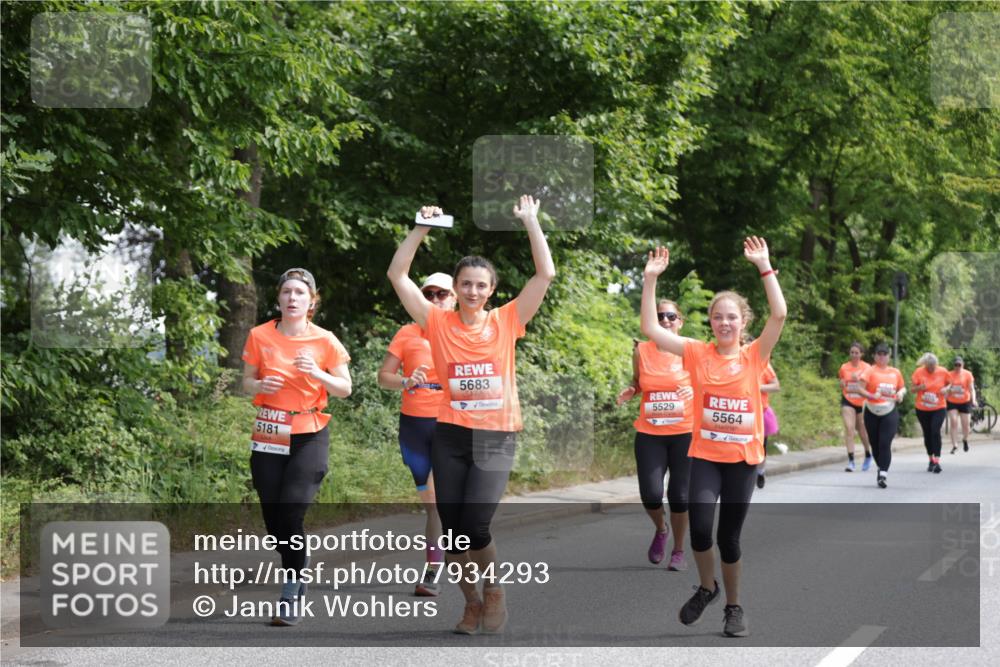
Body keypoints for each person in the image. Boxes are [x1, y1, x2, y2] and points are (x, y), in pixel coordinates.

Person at [386, 196, 555, 635]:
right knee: (455, 532)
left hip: (496, 435)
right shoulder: (436, 321)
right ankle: (471, 603)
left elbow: (545, 274)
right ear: (456, 287)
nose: (473, 291)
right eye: (466, 284)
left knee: (476, 524)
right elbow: (397, 275)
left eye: (481, 285)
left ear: (491, 290)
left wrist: (530, 221)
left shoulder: (507, 320)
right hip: (451, 436)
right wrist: (421, 228)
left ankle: (494, 588)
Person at [640, 237, 786, 639]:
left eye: (732, 317)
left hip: (741, 460)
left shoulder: (755, 355)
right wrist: (650, 279)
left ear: (743, 323)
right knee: (702, 530)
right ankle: (707, 588)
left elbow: (780, 313)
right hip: (704, 456)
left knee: (729, 538)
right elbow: (650, 327)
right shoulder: (695, 352)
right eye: (718, 317)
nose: (724, 323)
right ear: (710, 321)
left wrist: (765, 267)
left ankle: (734, 607)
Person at [241, 268, 352, 626]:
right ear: (279, 298)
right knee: (274, 519)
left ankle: (292, 589)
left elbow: (345, 388)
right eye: (287, 291)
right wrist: (261, 383)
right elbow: (245, 383)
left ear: (311, 301)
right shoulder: (259, 335)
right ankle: (297, 559)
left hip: (309, 429)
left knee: (291, 512)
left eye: (300, 293)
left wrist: (317, 374)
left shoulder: (325, 340)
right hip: (270, 428)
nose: (292, 298)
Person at [377, 272, 456, 596]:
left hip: (451, 422)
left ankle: (433, 569)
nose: (436, 299)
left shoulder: (463, 333)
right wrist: (406, 381)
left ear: (454, 298)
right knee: (432, 505)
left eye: (442, 294)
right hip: (414, 424)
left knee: (441, 502)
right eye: (429, 293)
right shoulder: (407, 333)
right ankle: (444, 556)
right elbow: (384, 377)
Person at [616, 300, 693, 572]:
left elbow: (709, 384)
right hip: (650, 433)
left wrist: (695, 393)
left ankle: (679, 551)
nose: (665, 321)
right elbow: (638, 382)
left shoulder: (690, 350)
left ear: (680, 321)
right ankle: (662, 528)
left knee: (680, 496)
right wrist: (632, 390)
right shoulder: (642, 350)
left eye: (671, 316)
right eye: (660, 316)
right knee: (650, 494)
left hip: (685, 432)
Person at [858, 343, 905, 488]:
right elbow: (859, 388)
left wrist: (900, 394)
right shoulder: (869, 371)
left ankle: (883, 473)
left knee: (885, 442)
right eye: (879, 354)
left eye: (885, 354)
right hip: (872, 411)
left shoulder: (895, 372)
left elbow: (902, 387)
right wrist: (871, 395)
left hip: (889, 411)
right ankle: (881, 466)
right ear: (875, 356)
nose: (882, 357)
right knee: (875, 444)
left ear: (889, 356)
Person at [911, 353, 951, 474]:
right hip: (922, 408)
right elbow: (912, 389)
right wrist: (920, 388)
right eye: (929, 367)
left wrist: (946, 389)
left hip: (939, 407)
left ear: (936, 364)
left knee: (935, 430)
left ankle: (937, 461)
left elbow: (950, 383)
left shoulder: (943, 371)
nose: (931, 369)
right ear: (925, 365)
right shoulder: (918, 372)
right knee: (927, 433)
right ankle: (931, 459)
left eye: (933, 366)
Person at [838, 342, 873, 472]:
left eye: (856, 353)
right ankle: (851, 461)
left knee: (862, 431)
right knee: (849, 429)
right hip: (848, 400)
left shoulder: (867, 368)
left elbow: (868, 385)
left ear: (861, 354)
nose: (854, 355)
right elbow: (842, 382)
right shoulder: (844, 367)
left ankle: (868, 454)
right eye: (852, 352)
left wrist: (857, 379)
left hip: (862, 402)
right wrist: (842, 384)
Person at [755, 362, 780, 489]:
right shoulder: (736, 363)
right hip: (742, 412)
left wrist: (759, 387)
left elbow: (776, 386)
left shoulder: (765, 366)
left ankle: (760, 472)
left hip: (761, 412)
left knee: (761, 446)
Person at [947, 356, 976, 454]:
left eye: (959, 365)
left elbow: (971, 389)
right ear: (954, 365)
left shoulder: (968, 374)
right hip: (952, 401)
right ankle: (955, 445)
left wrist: (974, 400)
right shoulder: (949, 375)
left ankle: (965, 439)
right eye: (956, 365)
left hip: (965, 401)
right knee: (954, 421)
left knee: (966, 425)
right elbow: (946, 388)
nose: (957, 367)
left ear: (962, 365)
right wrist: (950, 390)